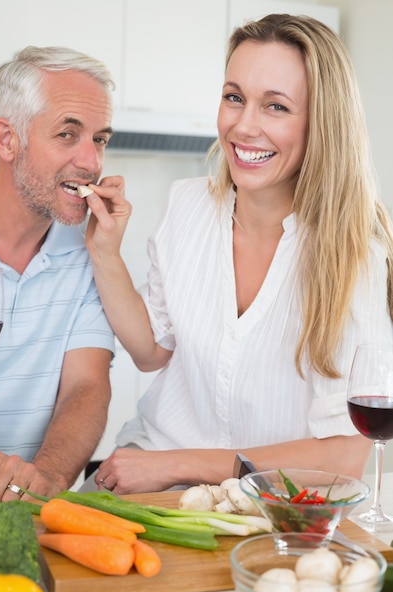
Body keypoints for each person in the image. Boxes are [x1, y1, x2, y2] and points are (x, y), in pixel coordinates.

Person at [82, 13, 393, 494]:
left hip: (279, 499)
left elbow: (346, 454)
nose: (243, 126)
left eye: (276, 107)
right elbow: (151, 351)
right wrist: (105, 251)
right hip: (151, 470)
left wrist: (181, 465)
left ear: (322, 123)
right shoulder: (187, 205)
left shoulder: (356, 253)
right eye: (234, 98)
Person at [0, 46, 117, 501]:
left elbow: (87, 384)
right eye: (67, 134)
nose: (92, 162)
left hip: (28, 509)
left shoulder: (89, 252)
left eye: (99, 139)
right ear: (6, 139)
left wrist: (48, 480)